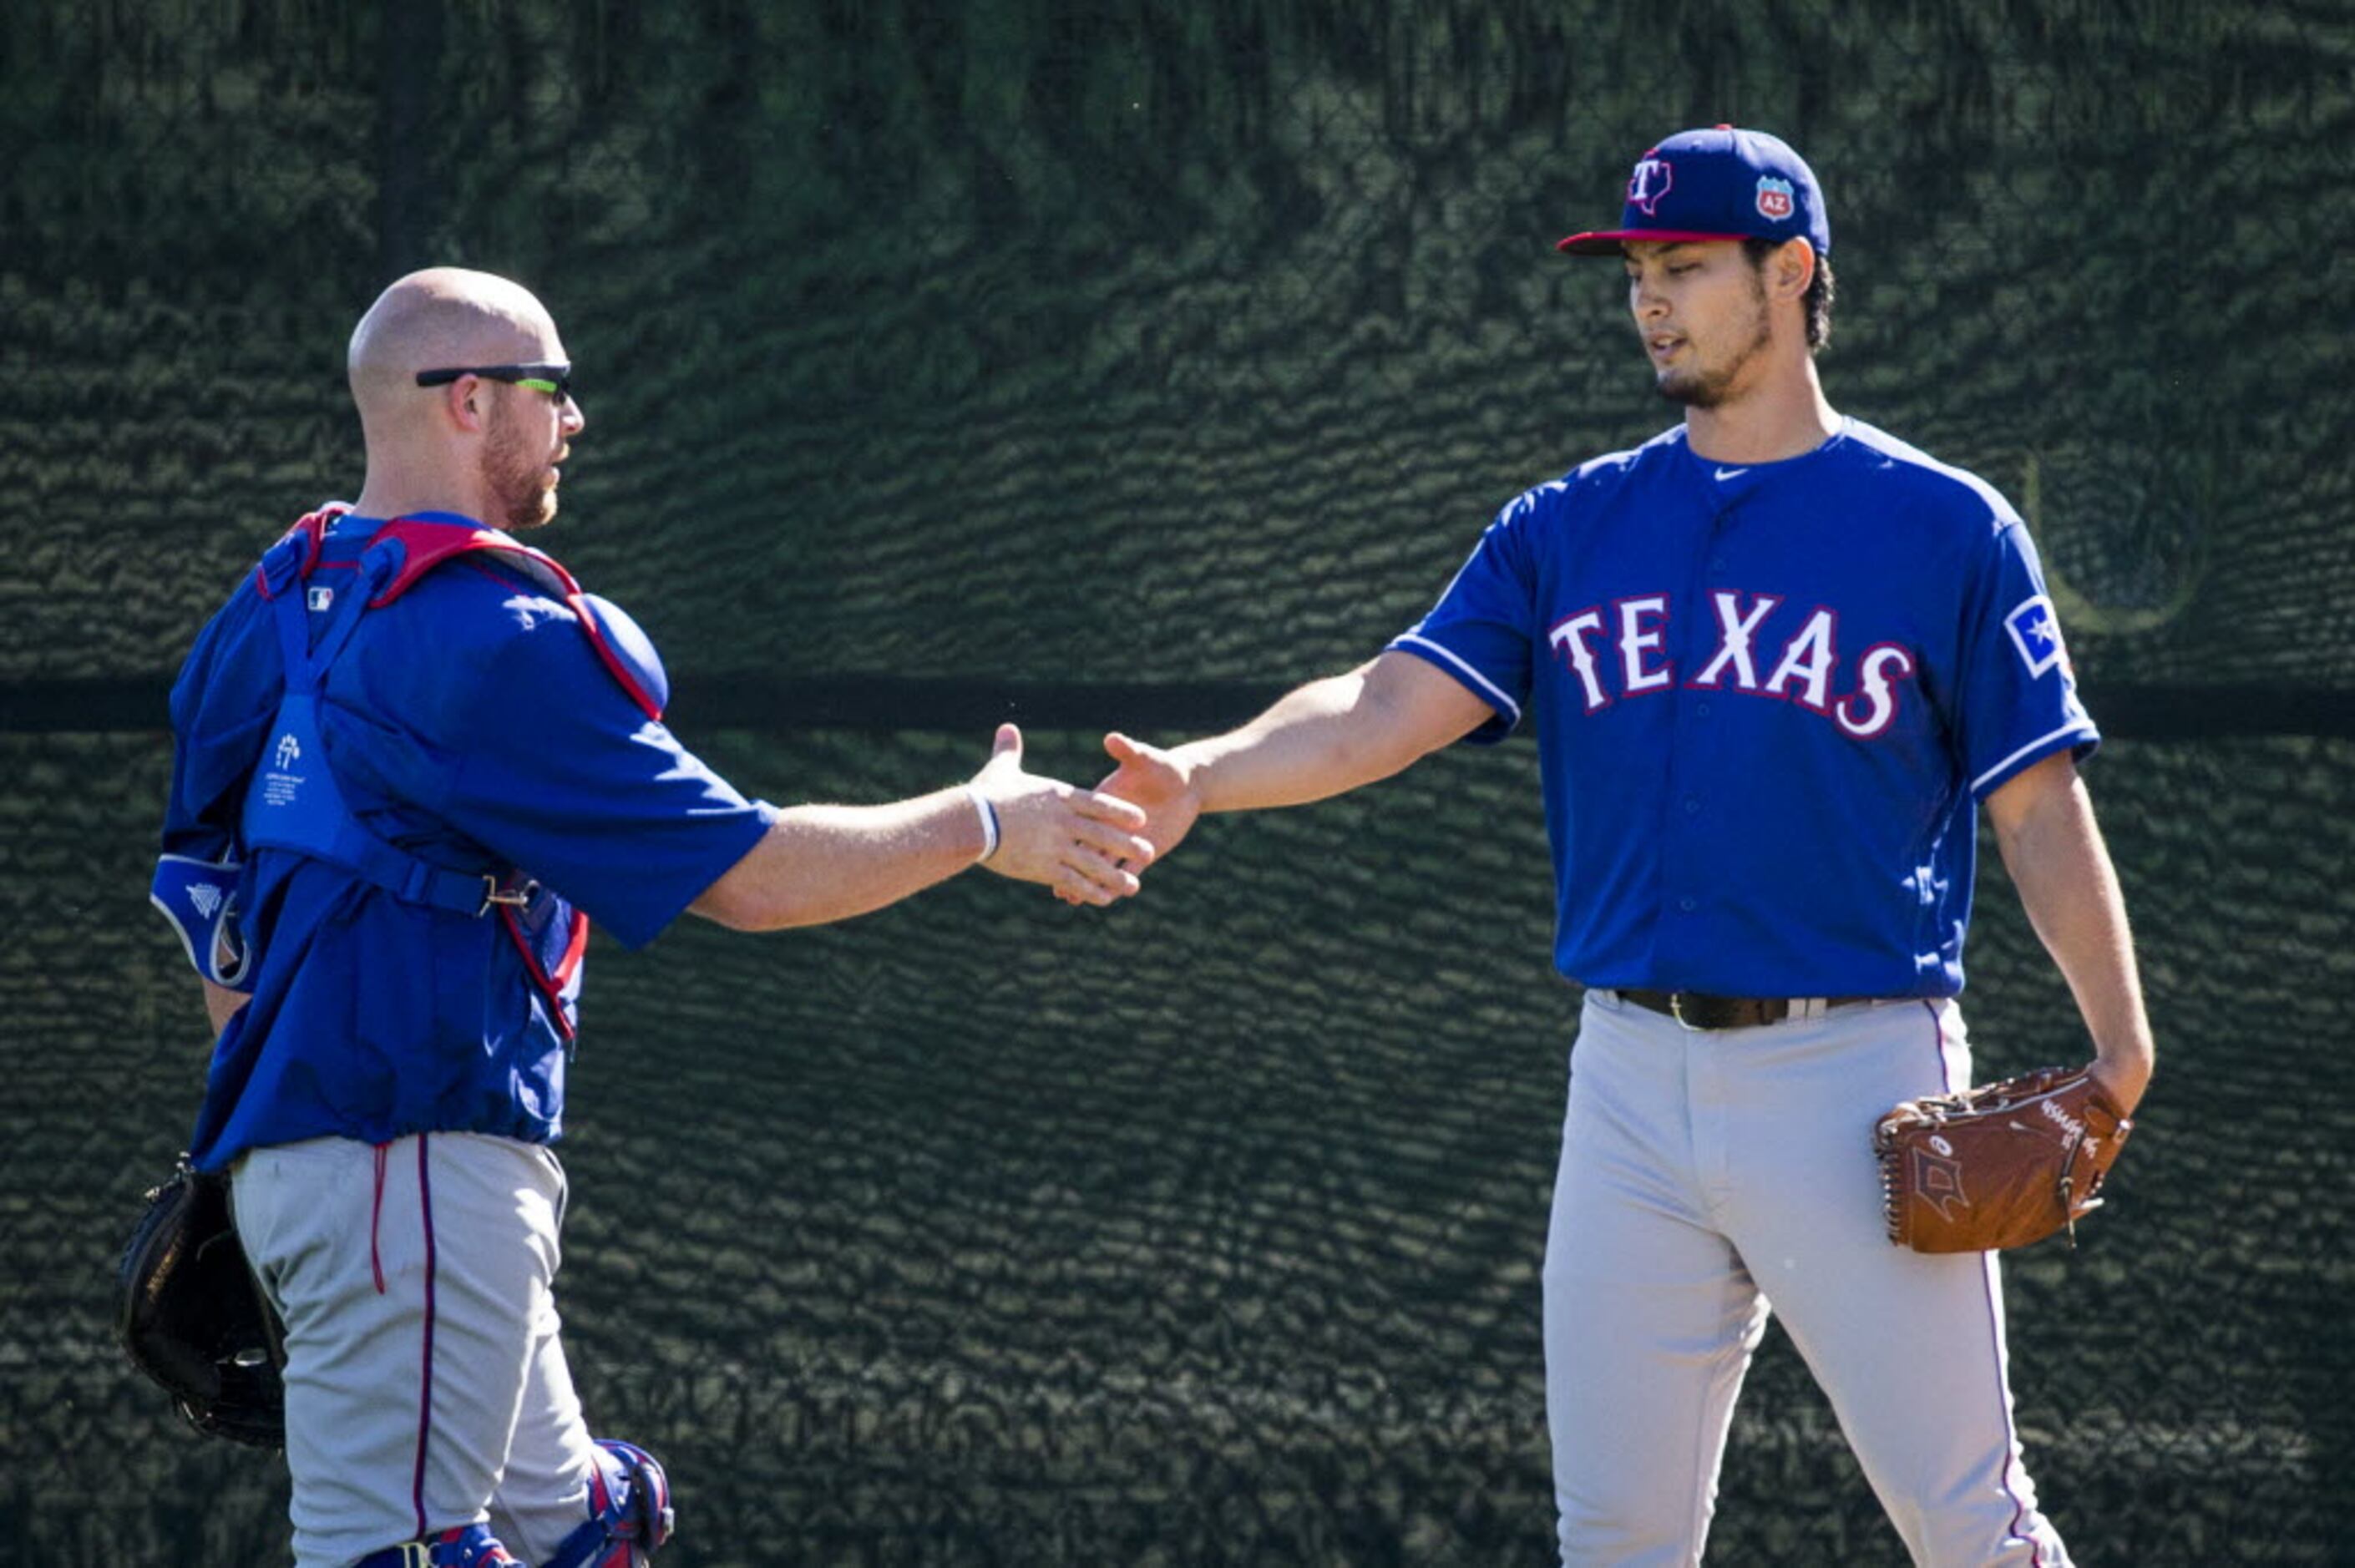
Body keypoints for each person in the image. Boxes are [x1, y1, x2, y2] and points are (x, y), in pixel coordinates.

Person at [1085, 126, 2154, 1564]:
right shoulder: (1571, 525)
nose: (1650, 296)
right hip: (1629, 1084)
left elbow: (2035, 803)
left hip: (1852, 1074)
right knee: (1617, 1536)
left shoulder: (1943, 528)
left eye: (1687, 266)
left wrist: (2120, 1043)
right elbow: (1387, 699)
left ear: (1791, 273)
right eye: (1637, 267)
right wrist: (1207, 776)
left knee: (1967, 1519)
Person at [148, 267, 1156, 1568]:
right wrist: (982, 821)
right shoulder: (489, 635)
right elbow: (752, 872)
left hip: (319, 1161)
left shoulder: (273, 605)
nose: (573, 420)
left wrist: (280, 1144)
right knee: (389, 1555)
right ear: (468, 401)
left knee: (574, 1529)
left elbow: (202, 897)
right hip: (413, 1160)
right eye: (551, 389)